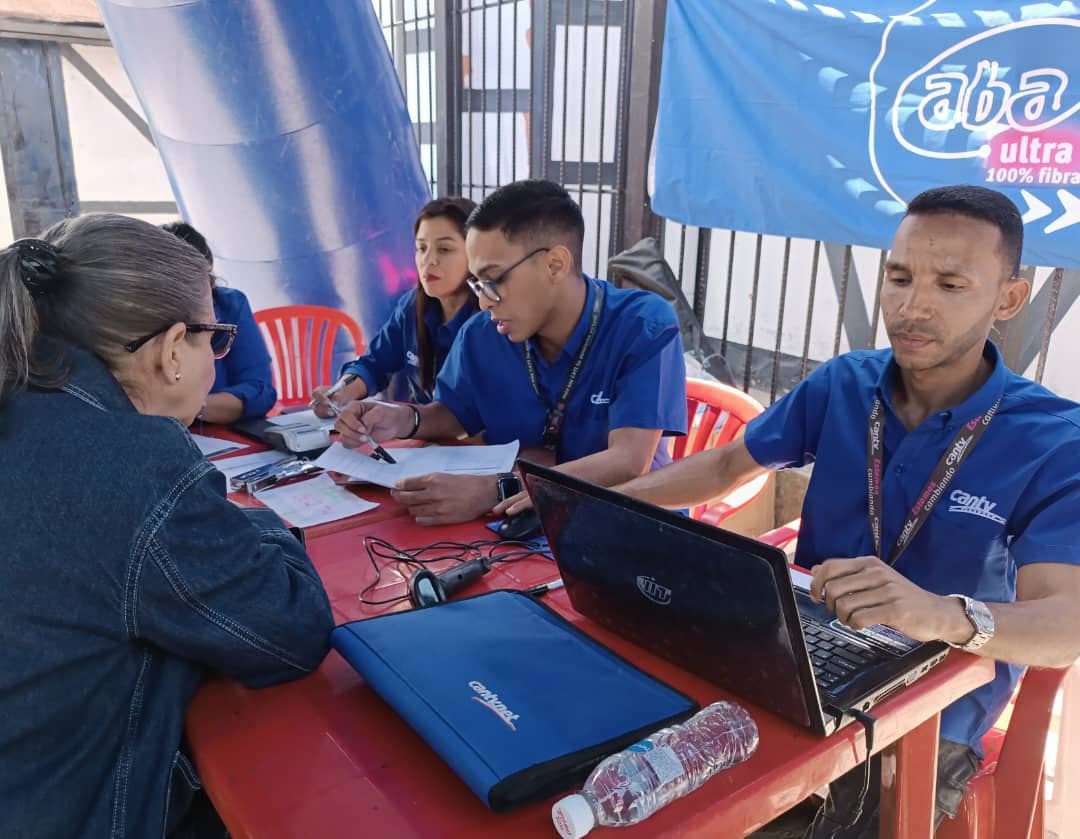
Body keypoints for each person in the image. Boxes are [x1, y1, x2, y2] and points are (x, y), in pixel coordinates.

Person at [613, 185, 1080, 835]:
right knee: (621, 748)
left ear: (1008, 298)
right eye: (899, 276)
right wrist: (600, 504)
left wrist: (938, 613)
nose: (912, 306)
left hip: (928, 714)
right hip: (794, 660)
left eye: (950, 284)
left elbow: (1065, 622)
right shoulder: (846, 382)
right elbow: (725, 467)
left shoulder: (1051, 439)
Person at [0, 214, 335, 838]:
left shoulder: (20, 401)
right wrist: (256, 522)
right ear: (173, 348)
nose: (216, 354)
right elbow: (292, 629)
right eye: (215, 338)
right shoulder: (135, 465)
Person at [334, 179, 688, 526]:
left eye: (494, 280)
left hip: (626, 524)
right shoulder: (483, 334)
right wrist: (403, 419)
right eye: (477, 283)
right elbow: (456, 414)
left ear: (555, 265)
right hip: (519, 523)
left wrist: (495, 489)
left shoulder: (641, 324)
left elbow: (628, 461)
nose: (483, 302)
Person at [311, 197, 480, 411]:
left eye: (444, 249)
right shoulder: (411, 307)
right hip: (420, 429)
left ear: (476, 254)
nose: (428, 260)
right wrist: (340, 394)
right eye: (421, 248)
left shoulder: (489, 320)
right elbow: (374, 363)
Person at [162, 221, 277, 422]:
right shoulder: (142, 321)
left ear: (211, 282)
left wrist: (192, 406)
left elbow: (260, 392)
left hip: (213, 431)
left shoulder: (229, 305)